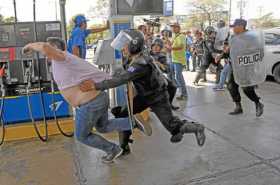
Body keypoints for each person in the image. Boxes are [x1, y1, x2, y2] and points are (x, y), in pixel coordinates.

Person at [80, 30, 206, 155]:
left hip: (158, 97)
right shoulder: (135, 58)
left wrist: (95, 86)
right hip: (144, 95)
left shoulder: (140, 64)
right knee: (124, 114)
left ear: (133, 45)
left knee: (172, 125)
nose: (122, 49)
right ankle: (124, 147)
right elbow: (122, 74)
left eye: (125, 45)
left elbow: (121, 79)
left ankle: (197, 128)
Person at [22, 38, 148, 163]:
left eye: (48, 51)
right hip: (97, 99)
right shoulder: (61, 62)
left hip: (90, 103)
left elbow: (44, 47)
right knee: (103, 126)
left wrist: (30, 45)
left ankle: (112, 149)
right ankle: (131, 122)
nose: (45, 55)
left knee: (82, 136)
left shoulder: (62, 58)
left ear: (55, 49)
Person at [227, 19, 264, 117]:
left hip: (245, 66)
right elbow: (230, 50)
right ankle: (238, 106)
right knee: (231, 85)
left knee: (246, 88)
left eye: (234, 26)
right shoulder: (233, 37)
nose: (233, 29)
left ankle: (258, 103)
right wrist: (224, 53)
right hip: (234, 66)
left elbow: (259, 52)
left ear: (241, 26)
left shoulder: (251, 38)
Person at [150, 38, 179, 110]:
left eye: (158, 46)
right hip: (148, 77)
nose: (156, 47)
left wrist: (160, 64)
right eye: (154, 45)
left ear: (160, 48)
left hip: (158, 76)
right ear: (152, 46)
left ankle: (169, 104)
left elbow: (167, 70)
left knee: (173, 87)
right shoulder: (146, 54)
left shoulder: (162, 56)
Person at [170, 23, 188, 100]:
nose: (173, 29)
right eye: (172, 27)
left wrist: (171, 48)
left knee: (178, 76)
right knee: (171, 74)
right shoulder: (174, 36)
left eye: (174, 27)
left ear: (178, 28)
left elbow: (181, 46)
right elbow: (172, 45)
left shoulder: (182, 36)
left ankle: (184, 94)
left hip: (179, 60)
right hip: (174, 59)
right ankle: (178, 89)